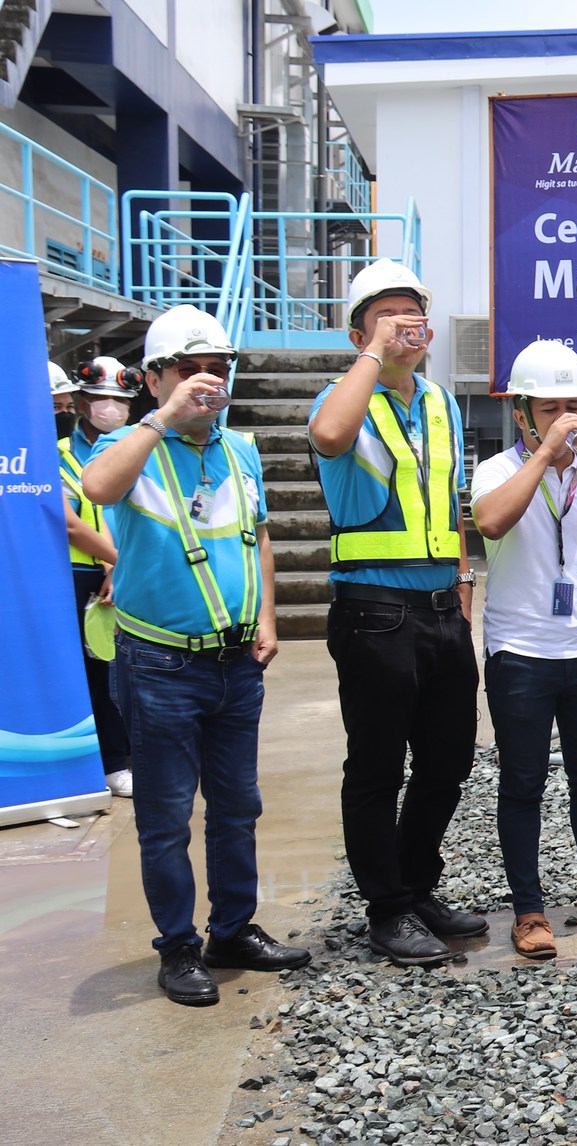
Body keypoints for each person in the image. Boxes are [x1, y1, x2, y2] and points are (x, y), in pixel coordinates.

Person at [80, 306, 309, 1006]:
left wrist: (267, 615)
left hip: (236, 664)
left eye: (219, 368)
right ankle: (177, 947)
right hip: (159, 667)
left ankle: (232, 928)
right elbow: (97, 489)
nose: (208, 381)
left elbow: (259, 537)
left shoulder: (238, 450)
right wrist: (160, 418)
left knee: (238, 807)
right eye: (190, 370)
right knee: (166, 817)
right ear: (153, 379)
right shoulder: (131, 446)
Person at [307, 259, 483, 967]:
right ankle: (386, 909)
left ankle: (415, 886)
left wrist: (463, 592)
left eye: (413, 310)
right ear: (359, 334)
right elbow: (326, 438)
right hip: (374, 612)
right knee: (378, 768)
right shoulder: (342, 397)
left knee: (448, 762)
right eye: (386, 314)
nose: (407, 320)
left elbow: (453, 505)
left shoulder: (441, 403)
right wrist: (376, 354)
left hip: (441, 609)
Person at [472, 340, 577, 960]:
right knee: (523, 781)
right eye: (550, 409)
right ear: (523, 413)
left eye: (574, 406)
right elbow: (490, 523)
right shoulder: (497, 470)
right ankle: (528, 911)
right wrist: (545, 457)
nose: (567, 418)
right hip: (520, 651)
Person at [56, 357, 133, 796]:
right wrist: (116, 563)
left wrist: (118, 566)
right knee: (94, 675)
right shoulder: (60, 454)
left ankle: (124, 756)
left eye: (120, 400)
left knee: (125, 672)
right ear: (82, 402)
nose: (111, 408)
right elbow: (73, 523)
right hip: (78, 576)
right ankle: (109, 764)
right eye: (102, 399)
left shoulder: (141, 447)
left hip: (121, 570)